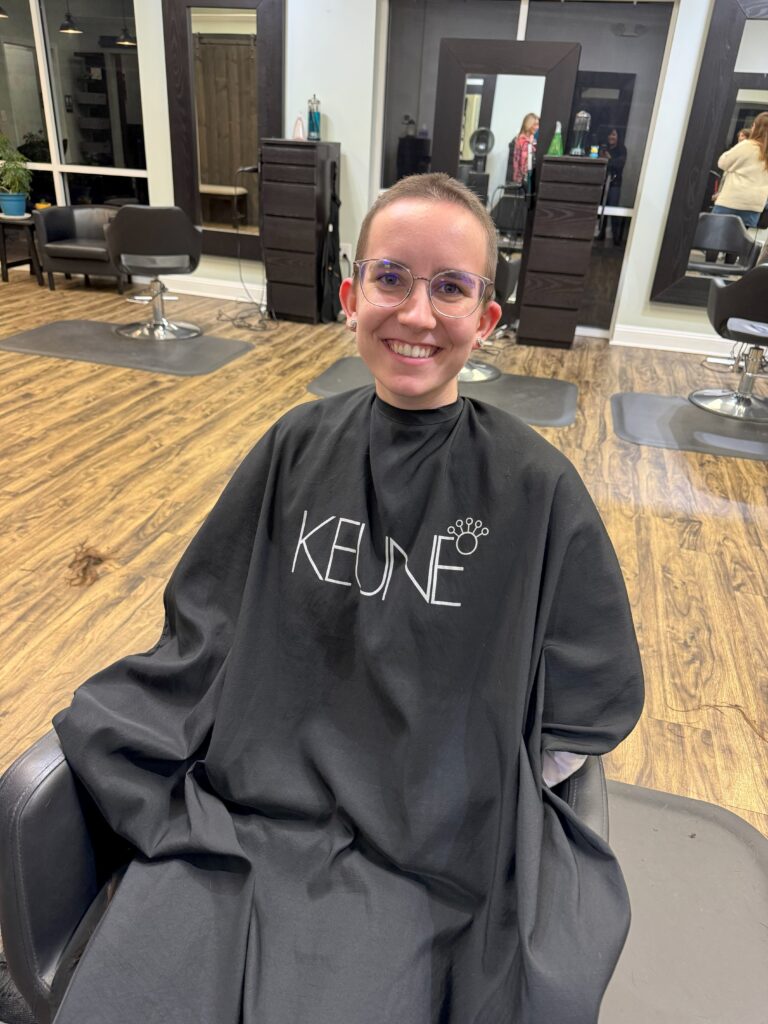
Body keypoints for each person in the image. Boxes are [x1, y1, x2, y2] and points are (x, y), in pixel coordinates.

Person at [51, 173, 643, 1024]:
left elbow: (592, 693)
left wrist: (473, 780)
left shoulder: (534, 486)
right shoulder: (295, 445)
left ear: (486, 321)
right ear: (350, 294)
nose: (416, 313)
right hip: (251, 804)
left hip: (435, 847)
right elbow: (208, 622)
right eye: (392, 277)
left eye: (451, 287)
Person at [712, 111, 768, 228]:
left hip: (731, 202)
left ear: (757, 128)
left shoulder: (748, 145)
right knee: (737, 243)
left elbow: (722, 162)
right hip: (754, 206)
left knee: (714, 239)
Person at [597, 127, 628, 244]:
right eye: (610, 135)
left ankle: (616, 237)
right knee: (602, 208)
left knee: (613, 209)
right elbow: (600, 163)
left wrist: (609, 159)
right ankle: (601, 233)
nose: (611, 137)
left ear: (618, 137)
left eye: (614, 135)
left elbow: (619, 165)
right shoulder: (604, 148)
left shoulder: (621, 149)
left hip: (615, 183)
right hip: (603, 182)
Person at [507, 111, 539, 189]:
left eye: (538, 124)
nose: (537, 127)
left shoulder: (531, 140)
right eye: (535, 124)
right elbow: (523, 163)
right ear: (528, 124)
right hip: (523, 180)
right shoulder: (523, 141)